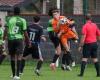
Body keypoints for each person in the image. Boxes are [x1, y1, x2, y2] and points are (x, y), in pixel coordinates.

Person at [4, 7, 30, 80]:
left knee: (12, 56)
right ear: (20, 12)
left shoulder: (8, 19)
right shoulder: (23, 20)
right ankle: (17, 75)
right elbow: (25, 32)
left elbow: (6, 30)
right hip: (19, 39)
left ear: (13, 12)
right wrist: (28, 41)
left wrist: (3, 39)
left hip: (11, 39)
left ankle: (13, 75)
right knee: (19, 56)